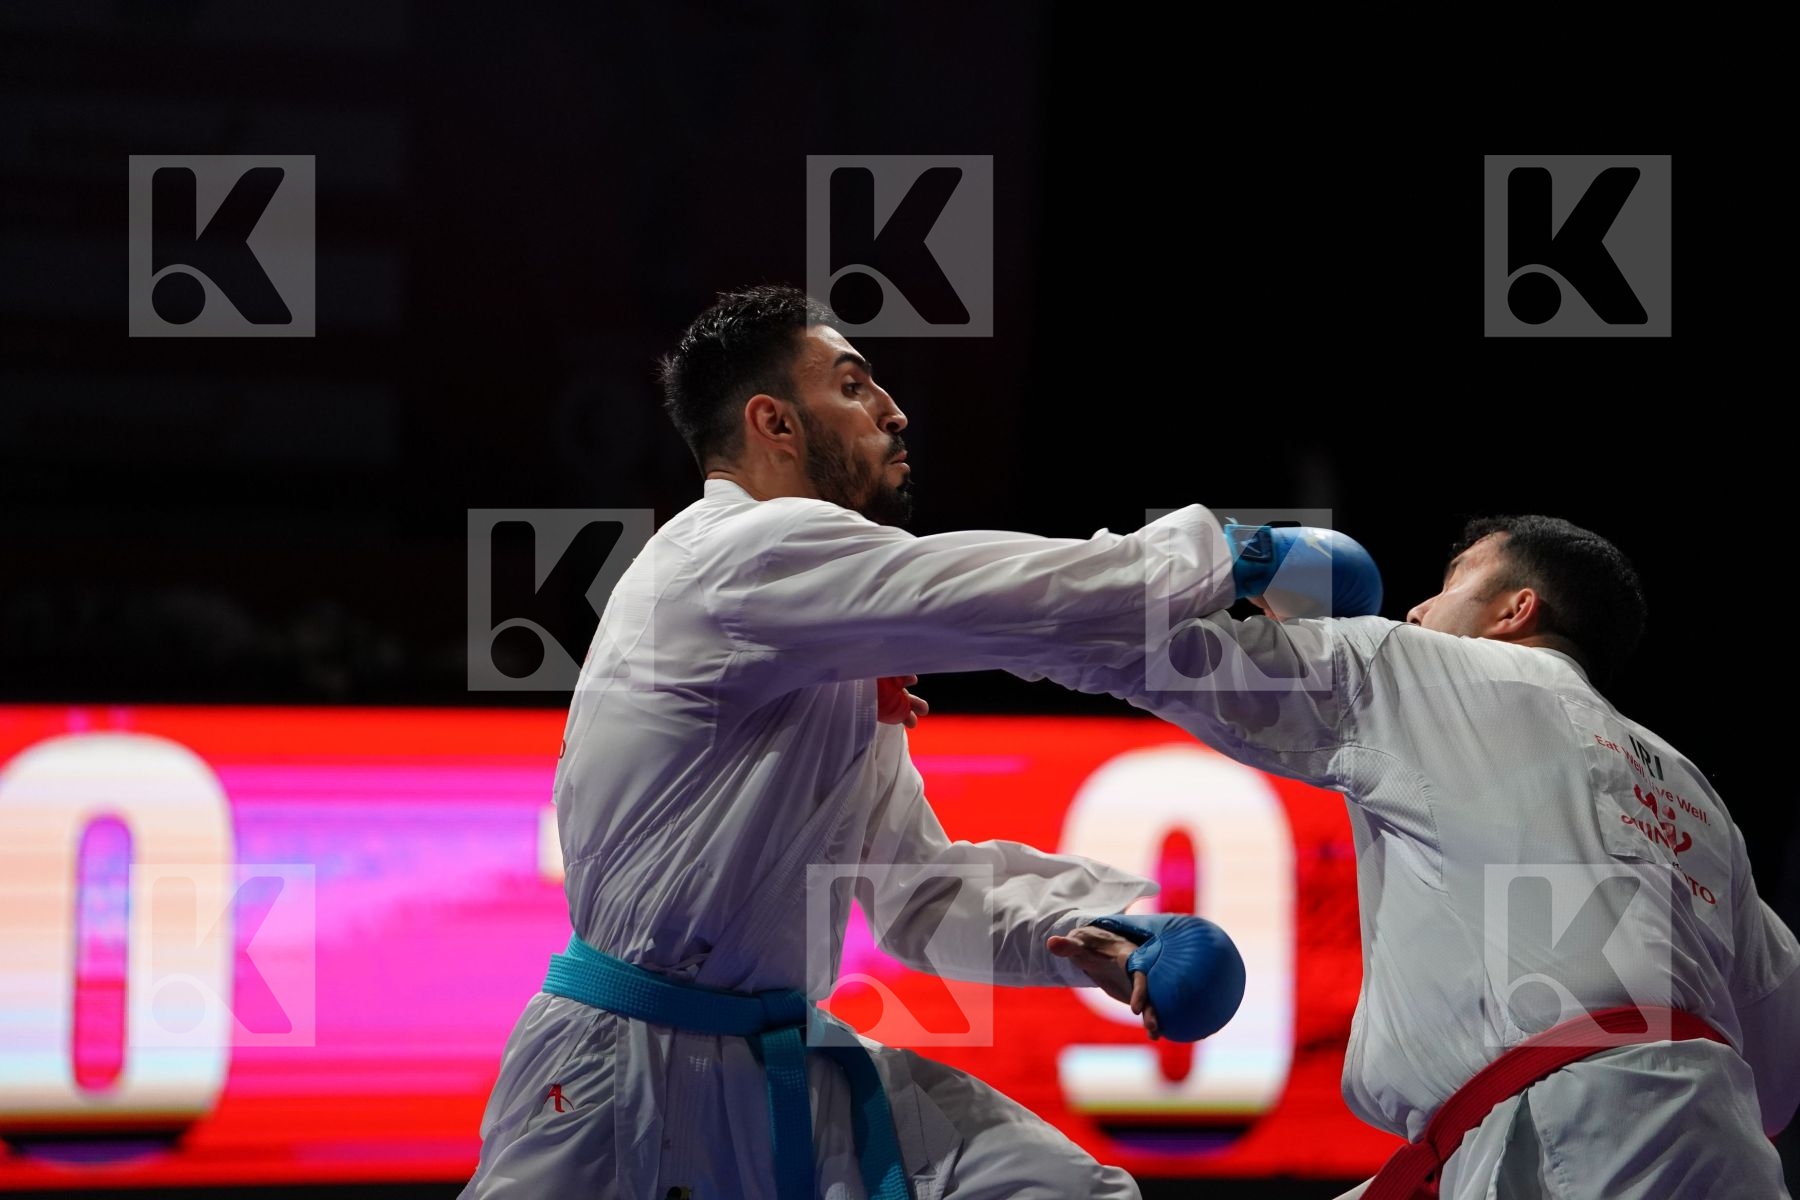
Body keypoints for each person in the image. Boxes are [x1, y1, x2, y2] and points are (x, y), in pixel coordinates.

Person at [458, 285, 1258, 1199]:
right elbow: (1011, 600)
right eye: (852, 384)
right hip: (619, 1074)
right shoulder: (736, 555)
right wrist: (1228, 554)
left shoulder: (824, 646)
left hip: (778, 1066)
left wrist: (1089, 930)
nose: (893, 409)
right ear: (775, 422)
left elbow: (914, 892)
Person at [1029, 514, 1800, 1198]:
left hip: (1575, 1133)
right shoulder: (1696, 793)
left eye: (1448, 586)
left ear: (1514, 610)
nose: (1415, 611)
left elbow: (1149, 652)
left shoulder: (1427, 666)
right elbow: (1775, 1079)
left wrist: (1224, 558)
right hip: (1710, 1144)